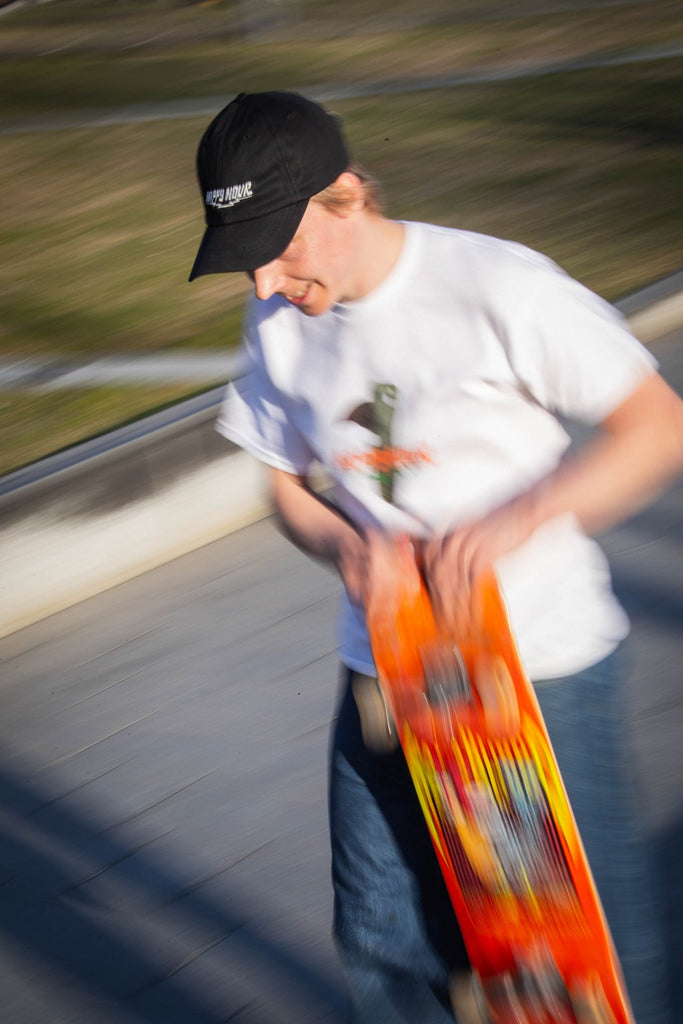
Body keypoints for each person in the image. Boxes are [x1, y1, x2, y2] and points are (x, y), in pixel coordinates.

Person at [189, 91, 683, 1023]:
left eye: (276, 247)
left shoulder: (497, 286)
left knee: (568, 960)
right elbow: (282, 483)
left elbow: (656, 428)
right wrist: (342, 545)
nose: (261, 284)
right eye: (243, 259)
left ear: (343, 196)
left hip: (531, 672)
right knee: (381, 931)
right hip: (382, 665)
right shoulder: (280, 321)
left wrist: (515, 520)